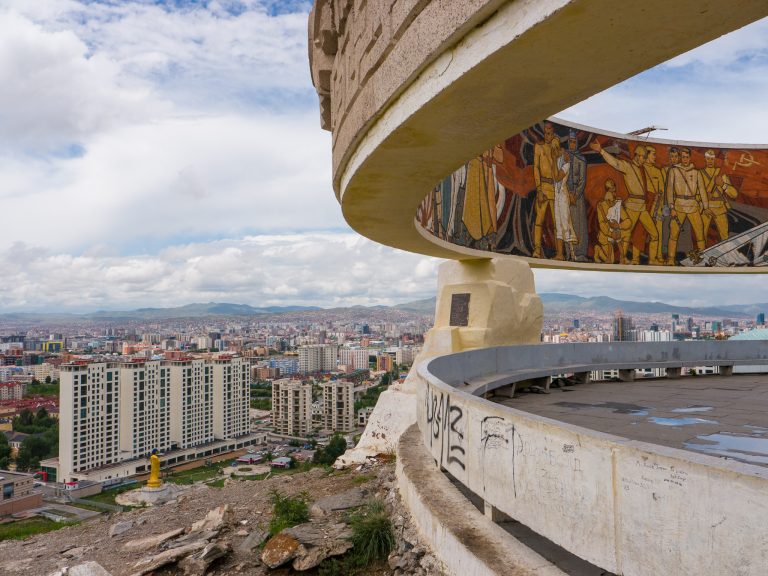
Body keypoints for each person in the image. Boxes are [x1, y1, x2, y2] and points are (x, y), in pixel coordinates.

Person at [589, 139, 660, 264]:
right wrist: (601, 151)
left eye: (645, 157)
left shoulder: (642, 169)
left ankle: (652, 260)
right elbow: (615, 163)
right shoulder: (628, 167)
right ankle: (620, 257)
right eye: (643, 157)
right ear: (637, 156)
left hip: (642, 207)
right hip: (632, 206)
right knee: (625, 234)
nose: (644, 160)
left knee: (654, 234)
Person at [665, 147, 708, 263]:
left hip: (693, 206)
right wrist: (671, 207)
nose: (685, 159)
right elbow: (669, 190)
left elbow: (702, 189)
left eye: (687, 157)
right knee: (673, 234)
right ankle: (670, 259)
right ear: (680, 158)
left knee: (700, 233)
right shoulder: (674, 171)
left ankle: (703, 260)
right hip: (678, 205)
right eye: (683, 157)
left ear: (690, 157)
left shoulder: (696, 172)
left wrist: (705, 206)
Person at [533, 122, 565, 258]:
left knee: (557, 223)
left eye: (550, 133)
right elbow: (536, 168)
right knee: (539, 220)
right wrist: (539, 189)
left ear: (554, 134)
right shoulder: (538, 147)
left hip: (555, 189)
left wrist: (555, 146)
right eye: (546, 133)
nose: (547, 136)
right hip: (544, 188)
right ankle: (537, 250)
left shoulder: (557, 149)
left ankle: (560, 253)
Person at [700, 149, 738, 243]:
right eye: (708, 159)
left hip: (719, 207)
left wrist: (723, 185)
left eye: (711, 159)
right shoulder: (700, 174)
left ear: (714, 160)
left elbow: (734, 194)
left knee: (724, 236)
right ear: (705, 159)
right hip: (705, 208)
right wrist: (704, 196)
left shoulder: (721, 174)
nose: (709, 161)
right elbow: (694, 192)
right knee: (700, 235)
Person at [594, 179, 631, 263]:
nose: (613, 191)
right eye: (611, 189)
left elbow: (628, 221)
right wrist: (611, 233)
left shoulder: (618, 204)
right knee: (611, 261)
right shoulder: (601, 205)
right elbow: (602, 223)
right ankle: (598, 250)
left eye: (613, 188)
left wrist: (619, 226)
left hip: (616, 230)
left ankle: (623, 257)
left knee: (627, 232)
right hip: (606, 234)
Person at [566, 130, 589, 261]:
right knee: (567, 222)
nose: (572, 144)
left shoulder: (581, 159)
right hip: (566, 192)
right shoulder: (565, 157)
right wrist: (567, 192)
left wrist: (575, 194)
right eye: (570, 142)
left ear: (577, 143)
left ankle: (579, 252)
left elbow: (582, 180)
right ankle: (569, 251)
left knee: (579, 224)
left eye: (574, 142)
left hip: (577, 194)